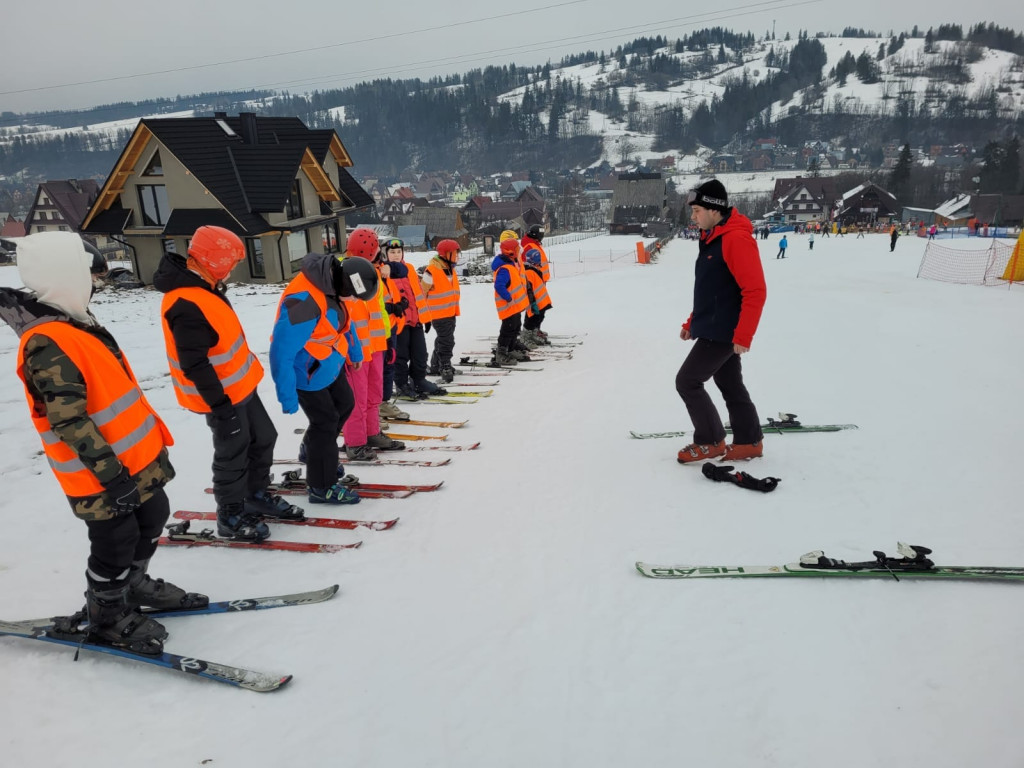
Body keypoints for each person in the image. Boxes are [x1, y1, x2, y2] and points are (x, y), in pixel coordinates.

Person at [0, 232, 206, 654]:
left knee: (154, 515)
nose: (94, 283)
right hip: (102, 473)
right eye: (86, 276)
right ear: (65, 276)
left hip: (133, 460)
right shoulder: (47, 341)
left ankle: (131, 586)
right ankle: (107, 613)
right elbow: (69, 420)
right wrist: (112, 477)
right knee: (115, 540)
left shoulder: (75, 322)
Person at [155, 227, 295, 545]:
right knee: (232, 451)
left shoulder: (206, 287)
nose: (232, 269)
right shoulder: (185, 302)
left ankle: (255, 495)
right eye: (229, 262)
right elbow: (194, 363)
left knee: (264, 438)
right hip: (220, 398)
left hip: (241, 387)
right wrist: (220, 406)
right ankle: (230, 514)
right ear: (213, 258)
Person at [269, 253, 377, 504]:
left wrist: (354, 352)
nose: (352, 300)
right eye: (353, 296)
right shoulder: (304, 301)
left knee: (345, 404)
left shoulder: (335, 284)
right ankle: (321, 486)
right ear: (345, 285)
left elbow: (344, 325)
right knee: (325, 422)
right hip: (306, 372)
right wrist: (286, 394)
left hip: (329, 362)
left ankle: (314, 451)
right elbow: (281, 351)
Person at [676, 180, 767, 464]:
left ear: (715, 210)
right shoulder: (713, 236)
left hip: (724, 331)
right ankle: (750, 440)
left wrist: (743, 335)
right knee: (729, 383)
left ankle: (710, 440)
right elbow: (712, 289)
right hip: (714, 326)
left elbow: (755, 290)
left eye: (697, 210)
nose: (693, 217)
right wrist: (693, 321)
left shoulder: (735, 239)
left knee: (688, 381)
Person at [339, 230, 405, 458]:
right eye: (376, 248)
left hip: (376, 346)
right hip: (355, 353)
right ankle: (355, 443)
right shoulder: (343, 275)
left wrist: (387, 341)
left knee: (373, 394)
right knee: (356, 398)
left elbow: (379, 313)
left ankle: (371, 433)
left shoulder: (372, 273)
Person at [383, 238, 446, 400]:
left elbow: (418, 295)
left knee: (420, 354)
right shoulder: (384, 272)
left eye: (399, 252)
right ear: (385, 254)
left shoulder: (409, 269)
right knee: (401, 356)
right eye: (392, 252)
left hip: (415, 320)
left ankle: (419, 380)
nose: (396, 255)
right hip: (399, 322)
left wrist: (425, 318)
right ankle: (402, 384)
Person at [421, 238, 462, 383]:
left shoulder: (450, 269)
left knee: (443, 339)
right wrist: (423, 314)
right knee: (447, 341)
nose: (457, 256)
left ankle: (435, 365)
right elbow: (422, 293)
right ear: (446, 254)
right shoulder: (431, 271)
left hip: (450, 312)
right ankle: (445, 365)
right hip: (438, 314)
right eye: (455, 253)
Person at [491, 238, 530, 366]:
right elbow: (499, 286)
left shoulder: (512, 265)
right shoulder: (504, 268)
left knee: (515, 327)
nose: (519, 252)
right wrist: (508, 299)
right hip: (508, 306)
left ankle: (511, 349)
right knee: (507, 329)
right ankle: (501, 353)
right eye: (517, 250)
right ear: (511, 252)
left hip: (515, 307)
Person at [521, 245, 553, 347]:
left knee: (539, 317)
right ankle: (525, 337)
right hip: (534, 301)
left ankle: (533, 334)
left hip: (541, 301)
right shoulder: (529, 272)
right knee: (531, 319)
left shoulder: (536, 270)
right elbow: (528, 288)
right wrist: (532, 301)